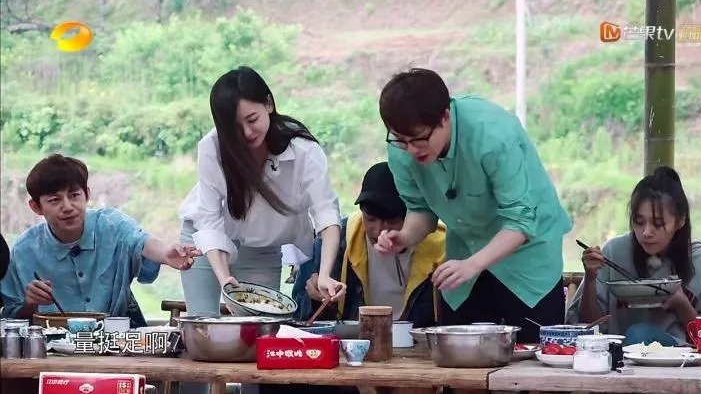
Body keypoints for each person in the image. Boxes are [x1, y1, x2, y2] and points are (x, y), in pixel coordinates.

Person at [374, 68, 572, 343]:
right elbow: (420, 209)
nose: (411, 149)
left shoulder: (494, 136)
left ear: (445, 117)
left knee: (533, 353)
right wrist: (404, 237)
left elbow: (521, 221)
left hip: (527, 260)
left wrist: (473, 265)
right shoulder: (401, 149)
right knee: (460, 352)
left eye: (419, 139)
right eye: (400, 139)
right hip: (465, 257)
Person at [177, 65, 345, 315]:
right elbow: (209, 222)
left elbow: (326, 214)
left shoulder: (303, 150)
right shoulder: (212, 147)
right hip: (204, 242)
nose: (246, 133)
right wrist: (224, 280)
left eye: (252, 119)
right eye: (235, 127)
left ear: (268, 103)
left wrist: (325, 274)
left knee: (259, 328)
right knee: (202, 323)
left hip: (261, 248)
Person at [0, 154, 198, 327]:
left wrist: (166, 254)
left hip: (115, 343)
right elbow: (12, 318)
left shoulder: (111, 225)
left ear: (87, 194)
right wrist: (30, 303)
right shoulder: (23, 252)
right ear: (36, 207)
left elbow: (140, 242)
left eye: (74, 195)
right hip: (51, 347)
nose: (67, 207)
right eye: (54, 200)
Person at [566, 166, 701, 346]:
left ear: (681, 220)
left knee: (638, 335)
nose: (646, 232)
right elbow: (589, 327)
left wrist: (682, 304)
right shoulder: (614, 252)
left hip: (682, 359)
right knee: (637, 335)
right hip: (617, 357)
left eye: (658, 223)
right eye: (638, 222)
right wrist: (591, 279)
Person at [293, 162, 446, 327]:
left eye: (391, 221)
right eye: (370, 219)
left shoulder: (442, 247)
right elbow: (297, 314)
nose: (379, 230)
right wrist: (314, 298)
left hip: (416, 338)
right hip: (355, 339)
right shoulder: (337, 241)